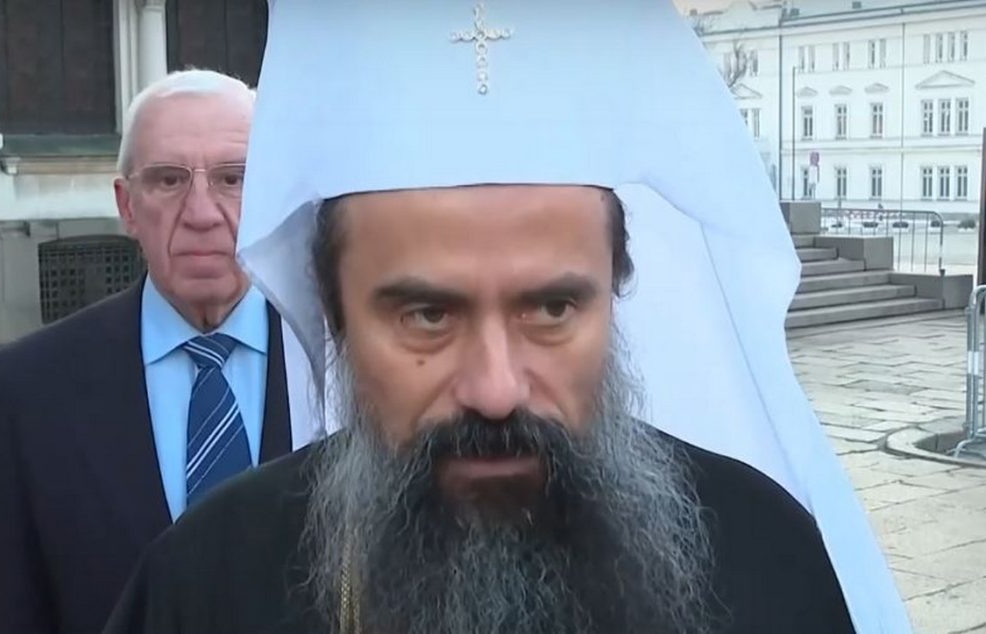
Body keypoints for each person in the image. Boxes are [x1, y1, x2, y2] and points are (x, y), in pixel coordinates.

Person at [104, 3, 912, 633]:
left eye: (551, 308)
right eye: (427, 315)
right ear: (337, 313)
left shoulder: (763, 554)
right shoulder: (205, 587)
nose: (495, 390)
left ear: (616, 289)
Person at [0, 70, 321, 634]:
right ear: (127, 206)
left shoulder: (338, 366)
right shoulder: (27, 389)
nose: (202, 213)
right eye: (169, 180)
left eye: (233, 179)